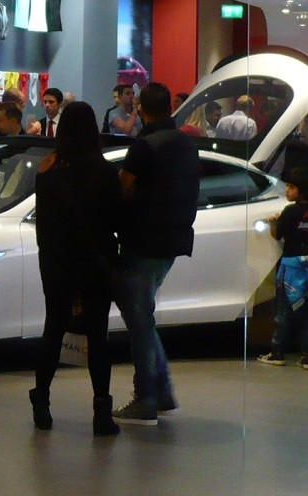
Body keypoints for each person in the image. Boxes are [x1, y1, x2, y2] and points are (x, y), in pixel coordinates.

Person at [30, 101, 122, 438]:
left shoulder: (48, 174)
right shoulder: (106, 173)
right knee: (98, 334)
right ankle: (101, 412)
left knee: (53, 328)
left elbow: (43, 227)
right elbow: (116, 221)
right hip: (96, 261)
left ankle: (42, 401)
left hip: (57, 261)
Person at [111, 82, 199, 426]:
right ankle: (161, 393)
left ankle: (146, 398)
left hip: (143, 241)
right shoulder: (186, 144)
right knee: (143, 319)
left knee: (139, 322)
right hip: (174, 240)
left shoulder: (144, 147)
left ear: (141, 110)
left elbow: (122, 189)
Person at [256, 167, 308, 369]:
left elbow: (277, 235)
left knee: (284, 311)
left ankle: (277, 353)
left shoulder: (290, 210)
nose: (286, 190)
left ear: (301, 190)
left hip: (292, 266)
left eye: (290, 187)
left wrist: (273, 222)